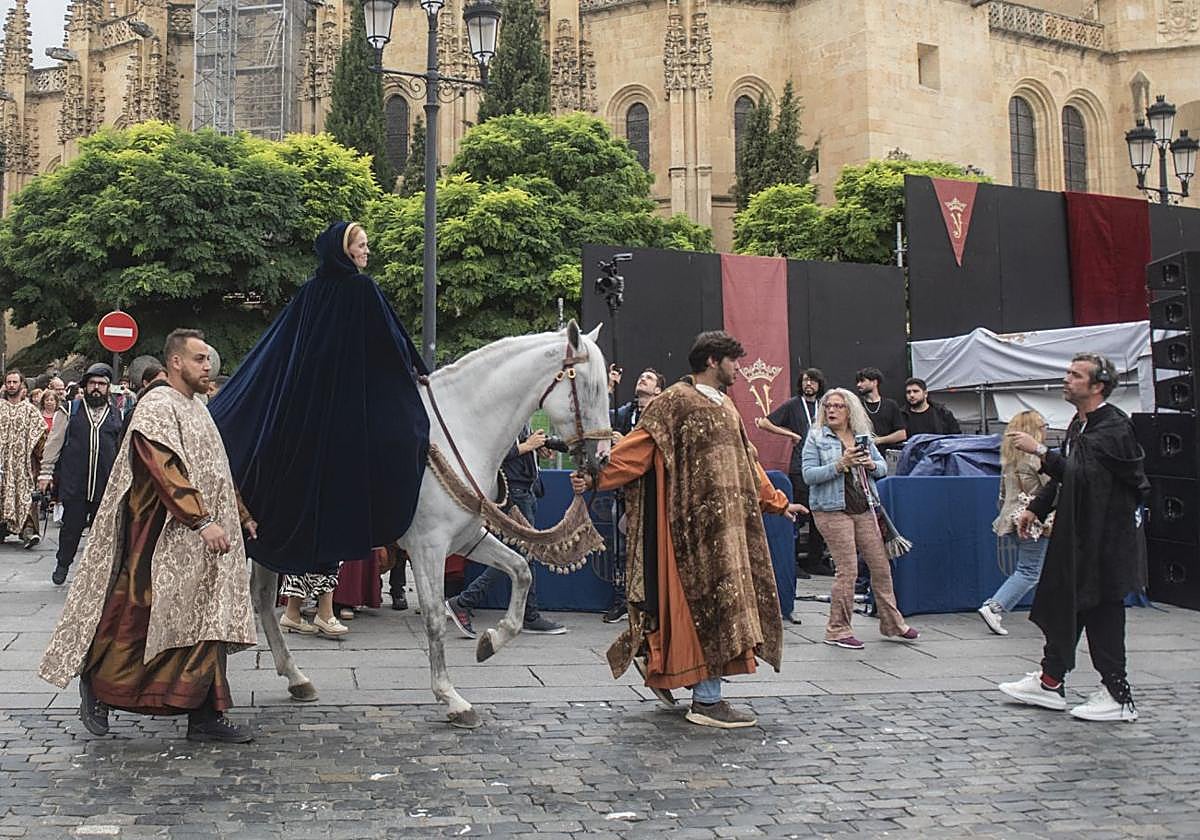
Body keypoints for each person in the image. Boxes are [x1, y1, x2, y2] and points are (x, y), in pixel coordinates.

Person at [571, 331, 805, 729]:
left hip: (730, 529)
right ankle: (707, 701)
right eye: (734, 361)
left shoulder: (728, 405)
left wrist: (778, 503)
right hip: (691, 530)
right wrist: (597, 476)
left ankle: (670, 668)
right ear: (714, 360)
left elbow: (745, 461)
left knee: (721, 607)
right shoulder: (674, 401)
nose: (738, 368)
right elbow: (640, 446)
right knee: (704, 609)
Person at [39, 329, 259, 743]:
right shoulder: (156, 407)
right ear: (175, 362)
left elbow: (215, 469)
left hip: (204, 543)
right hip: (161, 541)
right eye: (199, 359)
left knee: (204, 625)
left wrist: (240, 515)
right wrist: (200, 520)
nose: (207, 366)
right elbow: (164, 469)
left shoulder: (198, 408)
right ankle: (98, 687)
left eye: (208, 359)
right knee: (140, 622)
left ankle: (206, 715)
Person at [208, 221, 430, 580]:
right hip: (345, 403)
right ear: (344, 251)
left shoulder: (311, 291)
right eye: (361, 245)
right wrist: (414, 371)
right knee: (409, 432)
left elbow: (280, 347)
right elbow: (388, 344)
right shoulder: (361, 288)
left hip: (307, 405)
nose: (367, 252)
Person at [998, 353, 1149, 723]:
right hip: (1078, 536)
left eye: (1075, 375)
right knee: (1068, 606)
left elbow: (1086, 476)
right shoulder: (1078, 426)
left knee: (1102, 609)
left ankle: (1117, 694)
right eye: (1067, 372)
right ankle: (1051, 682)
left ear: (1097, 386)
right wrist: (1037, 506)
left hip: (1105, 540)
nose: (1066, 379)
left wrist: (1041, 452)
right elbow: (1068, 478)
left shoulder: (1114, 428)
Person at [802, 388, 918, 650]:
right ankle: (837, 629)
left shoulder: (862, 437)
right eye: (828, 406)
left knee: (880, 566)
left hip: (864, 507)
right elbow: (808, 475)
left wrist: (870, 465)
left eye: (838, 406)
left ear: (850, 410)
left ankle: (892, 623)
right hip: (831, 509)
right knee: (848, 569)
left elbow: (884, 468)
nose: (831, 410)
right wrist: (840, 464)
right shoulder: (816, 437)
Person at [446, 426, 567, 637]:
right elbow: (493, 455)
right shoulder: (505, 412)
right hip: (515, 494)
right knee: (517, 556)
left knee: (525, 554)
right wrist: (526, 447)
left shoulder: (520, 413)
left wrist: (534, 451)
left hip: (525, 491)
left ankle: (529, 615)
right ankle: (464, 601)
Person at [38, 364, 124, 586]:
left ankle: (96, 574)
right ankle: (63, 564)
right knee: (70, 529)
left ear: (108, 388)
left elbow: (122, 449)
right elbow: (54, 442)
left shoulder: (117, 414)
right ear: (85, 386)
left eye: (102, 384)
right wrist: (45, 474)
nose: (97, 388)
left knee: (102, 533)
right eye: (93, 383)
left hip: (104, 485)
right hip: (75, 483)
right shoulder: (70, 409)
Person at [978, 410, 1051, 636]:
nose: (1046, 428)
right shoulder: (1036, 459)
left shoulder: (1009, 460)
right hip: (1035, 521)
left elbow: (1002, 496)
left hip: (1010, 519)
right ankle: (995, 607)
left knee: (1037, 568)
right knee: (1028, 571)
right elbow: (1053, 489)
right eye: (1042, 425)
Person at [603, 368, 667, 624]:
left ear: (659, 390)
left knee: (651, 547)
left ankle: (650, 601)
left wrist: (626, 441)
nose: (642, 379)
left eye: (649, 378)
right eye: (640, 376)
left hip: (651, 493)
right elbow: (598, 419)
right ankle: (623, 600)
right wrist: (608, 388)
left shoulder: (661, 413)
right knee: (620, 550)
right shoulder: (626, 413)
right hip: (624, 492)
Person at [756, 367, 829, 576]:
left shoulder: (825, 406)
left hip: (823, 467)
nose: (809, 385)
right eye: (806, 380)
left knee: (820, 514)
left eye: (813, 381)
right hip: (800, 468)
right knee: (797, 514)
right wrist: (789, 434)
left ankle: (815, 560)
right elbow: (764, 422)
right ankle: (794, 561)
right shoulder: (794, 405)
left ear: (819, 384)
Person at [0, 368, 47, 548]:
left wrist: (44, 466)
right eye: (9, 382)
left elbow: (40, 437)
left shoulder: (30, 410)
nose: (11, 385)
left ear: (21, 385)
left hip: (23, 465)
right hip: (2, 464)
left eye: (15, 382)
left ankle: (28, 532)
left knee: (25, 496)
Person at [854, 367, 906, 453]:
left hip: (888, 455)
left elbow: (901, 434)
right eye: (858, 382)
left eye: (862, 381)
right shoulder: (857, 405)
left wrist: (878, 440)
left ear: (874, 382)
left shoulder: (890, 405)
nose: (858, 385)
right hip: (865, 455)